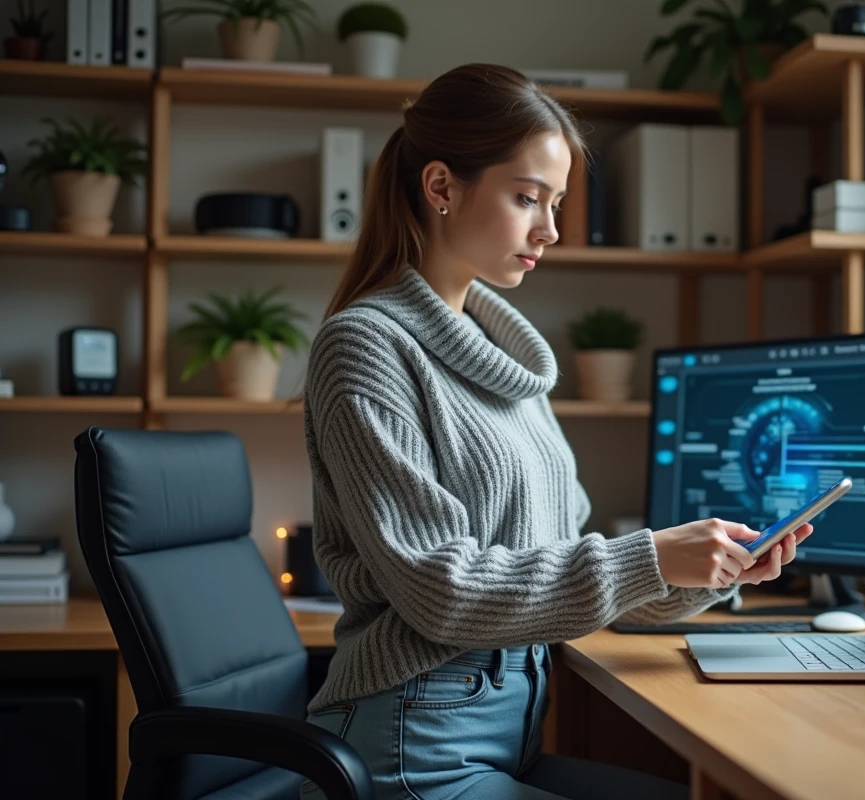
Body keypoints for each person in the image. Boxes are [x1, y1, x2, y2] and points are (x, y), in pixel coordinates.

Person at [301, 63, 813, 800]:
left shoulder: (506, 363)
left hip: (506, 732)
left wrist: (705, 571)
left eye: (557, 203)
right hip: (412, 744)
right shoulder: (365, 347)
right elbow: (441, 592)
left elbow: (562, 572)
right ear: (441, 186)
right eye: (527, 198)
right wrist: (650, 556)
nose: (551, 229)